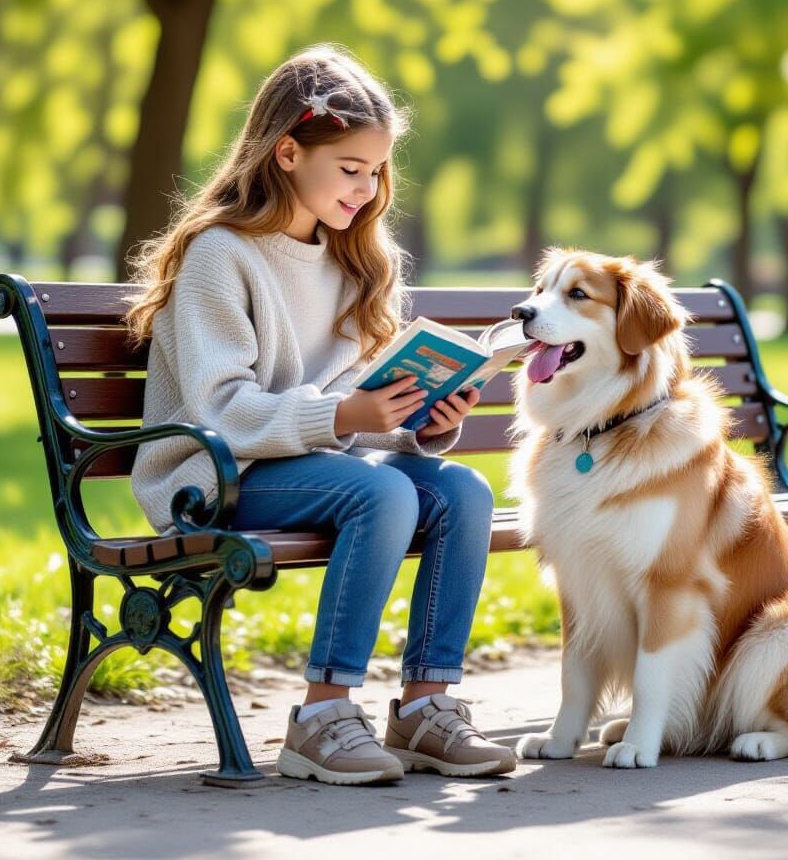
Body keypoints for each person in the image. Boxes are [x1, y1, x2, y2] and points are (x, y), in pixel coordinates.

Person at [125, 44, 514, 785]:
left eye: (376, 172)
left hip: (320, 465)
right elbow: (220, 411)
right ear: (288, 152)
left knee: (463, 490)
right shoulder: (220, 254)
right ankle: (322, 715)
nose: (367, 190)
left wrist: (421, 421)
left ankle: (427, 707)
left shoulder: (360, 260)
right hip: (215, 476)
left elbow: (360, 404)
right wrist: (343, 417)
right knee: (383, 490)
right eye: (350, 169)